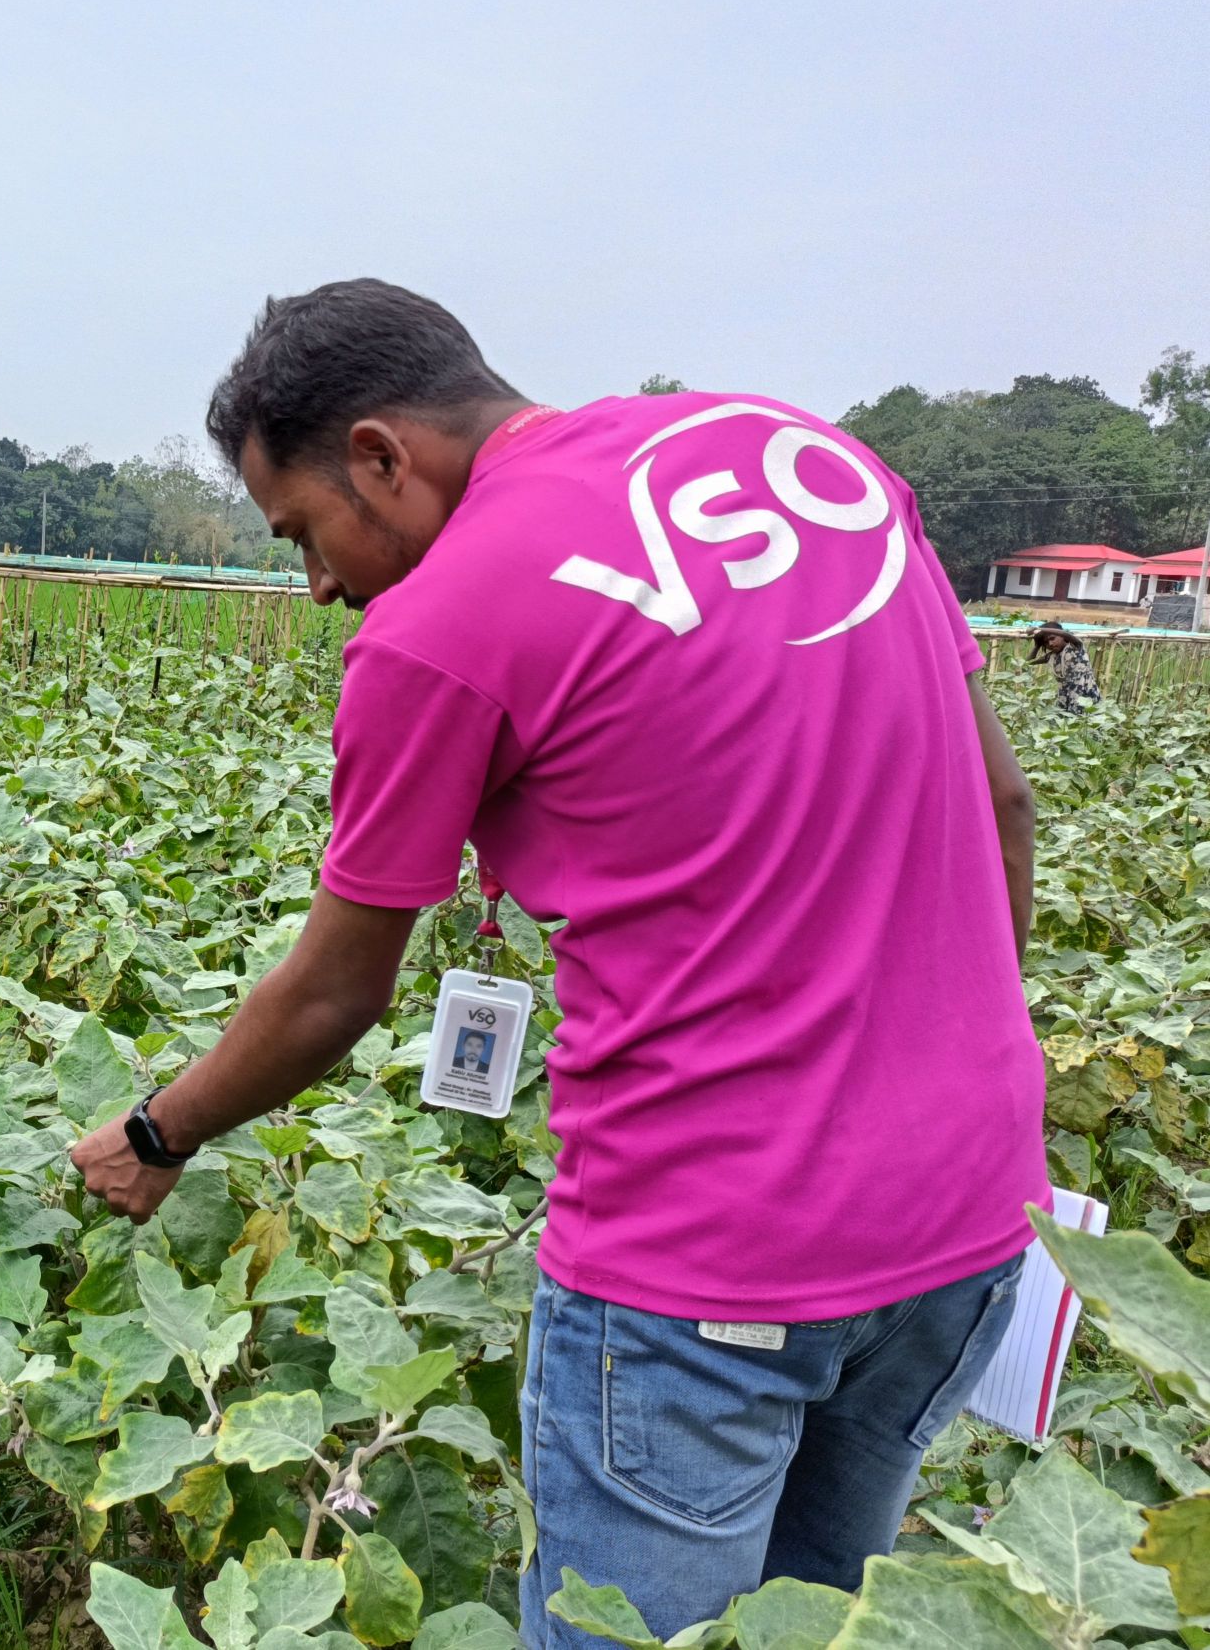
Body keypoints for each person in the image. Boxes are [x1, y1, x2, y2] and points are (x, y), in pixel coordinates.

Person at [71, 282, 1047, 1646]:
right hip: (971, 1222)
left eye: (303, 531)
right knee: (826, 1627)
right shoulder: (803, 461)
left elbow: (339, 990)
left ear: (380, 454)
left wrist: (154, 1127)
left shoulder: (437, 629)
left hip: (709, 1256)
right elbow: (1005, 805)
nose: (317, 585)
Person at [1029, 620, 1101, 712]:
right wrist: (1037, 646)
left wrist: (1039, 629)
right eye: (1046, 642)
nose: (1050, 644)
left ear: (1062, 637)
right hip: (1065, 698)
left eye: (1052, 638)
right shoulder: (1052, 656)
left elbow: (1067, 634)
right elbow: (1027, 662)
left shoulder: (1075, 647)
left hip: (1085, 696)